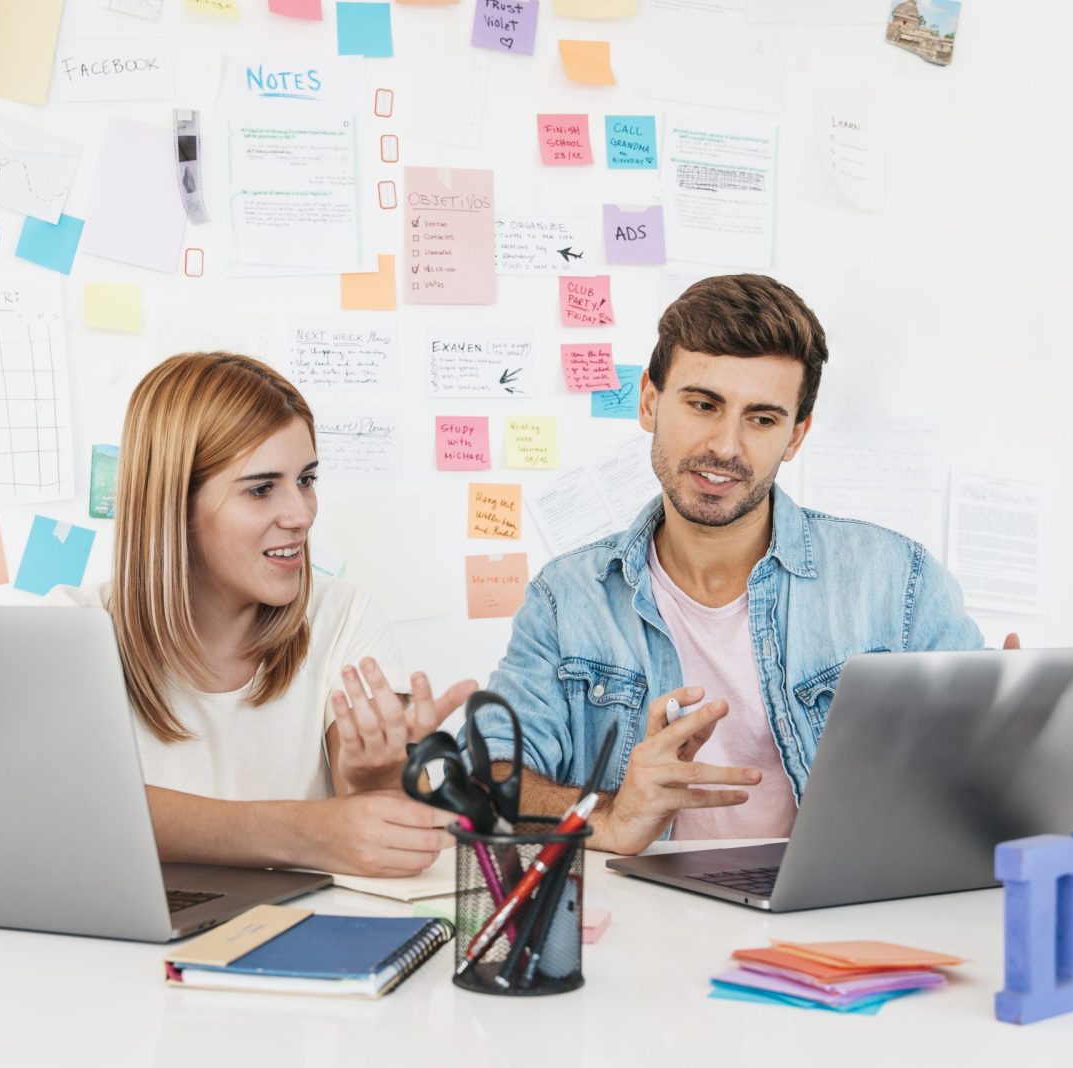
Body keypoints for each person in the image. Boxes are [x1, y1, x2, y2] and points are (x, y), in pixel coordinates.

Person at [474, 274, 1018, 855]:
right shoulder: (568, 598)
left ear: (795, 435)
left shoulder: (897, 583)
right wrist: (612, 815)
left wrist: (1023, 772)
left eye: (761, 418)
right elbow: (485, 781)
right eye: (703, 404)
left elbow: (1028, 815)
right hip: (638, 936)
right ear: (649, 401)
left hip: (835, 928)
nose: (726, 447)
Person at [52, 352, 475, 876]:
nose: (301, 515)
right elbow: (65, 808)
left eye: (307, 479)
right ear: (173, 503)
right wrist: (304, 833)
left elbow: (393, 842)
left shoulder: (342, 616)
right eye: (261, 488)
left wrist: (377, 781)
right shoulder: (74, 629)